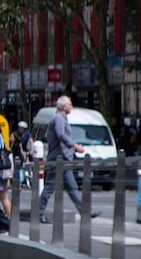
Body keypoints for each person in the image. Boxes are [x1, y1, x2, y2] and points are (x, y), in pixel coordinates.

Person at [38, 95, 101, 224]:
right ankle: (38, 214)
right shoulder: (58, 119)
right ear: (63, 106)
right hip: (58, 160)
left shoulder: (62, 118)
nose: (71, 107)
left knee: (72, 188)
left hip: (64, 160)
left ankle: (85, 213)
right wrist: (75, 145)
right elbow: (61, 135)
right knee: (49, 187)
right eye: (70, 104)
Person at [11, 120, 33, 188]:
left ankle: (27, 179)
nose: (20, 129)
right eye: (19, 127)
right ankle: (18, 181)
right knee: (17, 166)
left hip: (24, 150)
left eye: (22, 128)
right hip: (16, 151)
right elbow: (16, 143)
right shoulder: (15, 134)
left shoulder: (27, 133)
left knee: (27, 165)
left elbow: (31, 141)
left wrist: (32, 150)